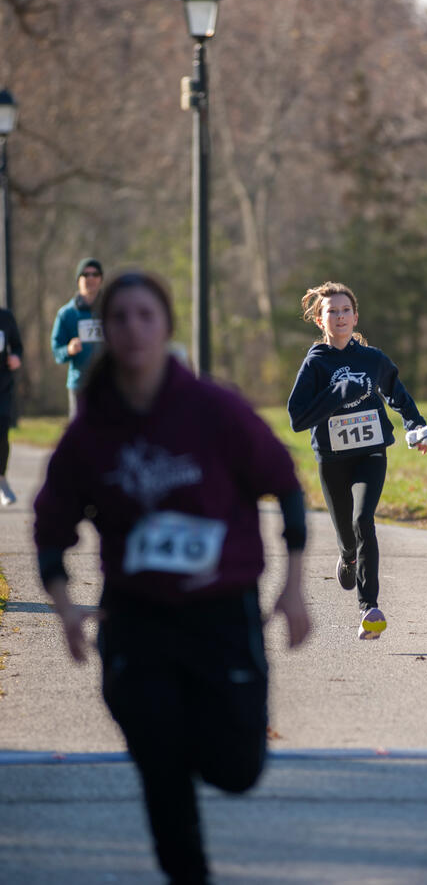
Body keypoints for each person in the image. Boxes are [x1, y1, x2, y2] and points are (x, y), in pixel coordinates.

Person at [34, 269, 310, 885]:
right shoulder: (91, 432)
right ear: (106, 331)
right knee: (162, 773)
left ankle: (183, 732)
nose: (133, 328)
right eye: (120, 317)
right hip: (137, 621)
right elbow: (50, 526)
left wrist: (293, 585)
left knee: (236, 768)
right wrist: (65, 607)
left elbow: (285, 485)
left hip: (221, 614)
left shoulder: (214, 409)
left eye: (145, 315)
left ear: (166, 328)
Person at [287, 281, 427, 642]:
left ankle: (369, 607)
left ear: (355, 316)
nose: (339, 316)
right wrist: (338, 393)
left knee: (363, 519)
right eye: (331, 311)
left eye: (345, 310)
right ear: (321, 321)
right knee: (347, 537)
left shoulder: (372, 359)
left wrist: (415, 425)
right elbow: (297, 418)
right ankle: (348, 558)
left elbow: (396, 393)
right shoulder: (316, 363)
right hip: (332, 458)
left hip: (371, 453)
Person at [51, 257, 104, 418]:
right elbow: (56, 351)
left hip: (109, 384)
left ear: (101, 279)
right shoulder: (67, 314)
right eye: (85, 275)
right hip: (80, 385)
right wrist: (68, 349)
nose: (90, 278)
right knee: (81, 437)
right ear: (78, 280)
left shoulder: (113, 310)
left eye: (95, 274)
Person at [0, 306, 23, 507]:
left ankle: (1, 481)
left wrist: (16, 357)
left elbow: (17, 346)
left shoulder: (5, 317)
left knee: (1, 436)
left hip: (2, 388)